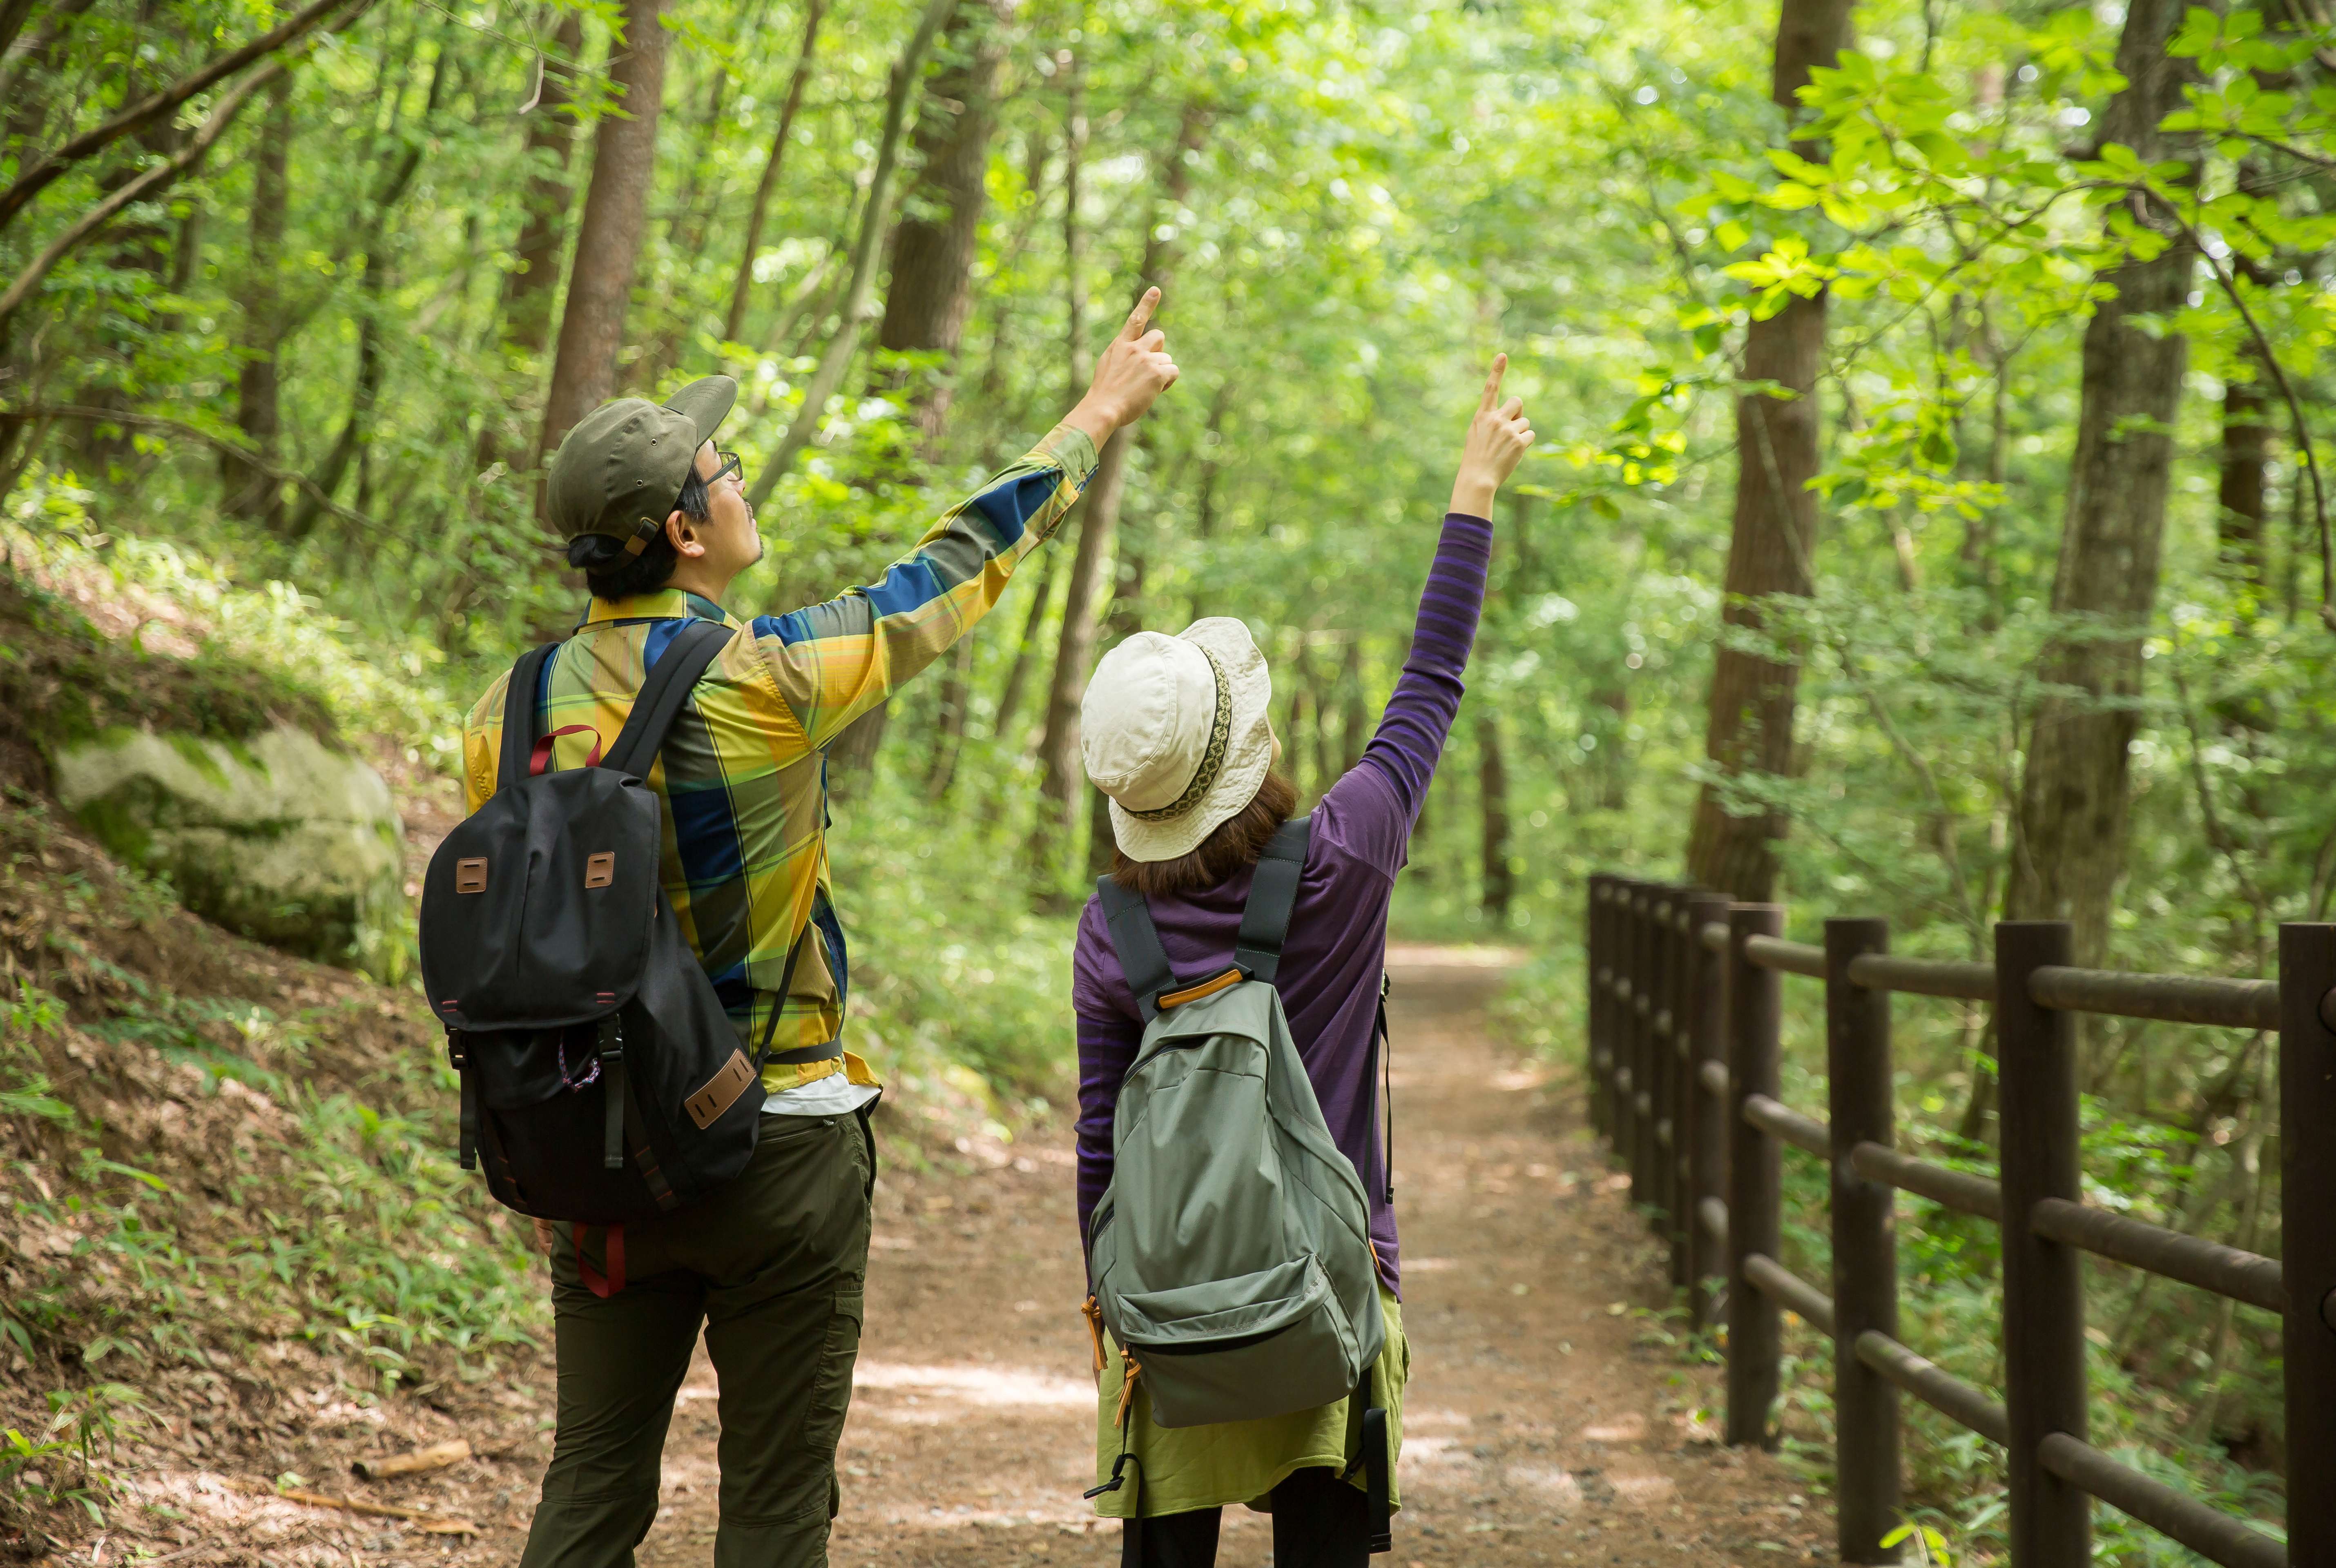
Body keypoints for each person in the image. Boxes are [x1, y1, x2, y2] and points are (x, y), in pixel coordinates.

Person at [461, 290, 1178, 1568]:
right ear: (685, 533)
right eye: (724, 470)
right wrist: (1094, 415)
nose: (741, 480)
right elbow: (950, 571)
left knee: (592, 1487)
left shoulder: (503, 714)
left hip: (593, 1155)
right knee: (777, 1509)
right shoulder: (769, 681)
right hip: (774, 1143)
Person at [1067, 356, 1534, 1568]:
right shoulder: (1345, 859)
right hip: (1329, 1294)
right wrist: (1474, 489)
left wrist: (1109, 1302)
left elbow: (1102, 1139)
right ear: (1251, 747)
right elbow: (1430, 684)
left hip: (1171, 1307)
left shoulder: (1111, 934)